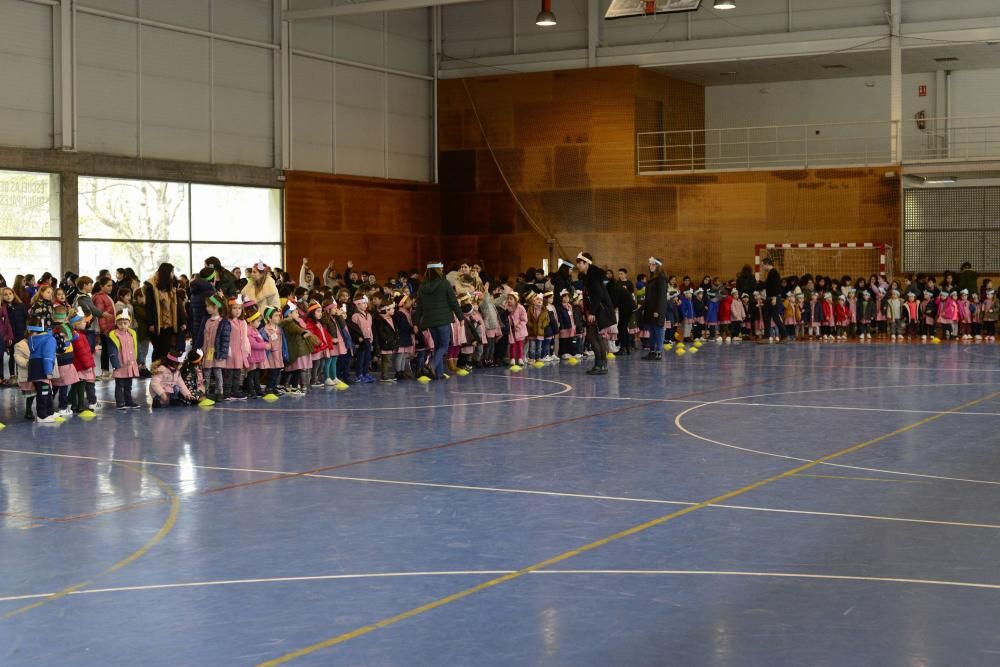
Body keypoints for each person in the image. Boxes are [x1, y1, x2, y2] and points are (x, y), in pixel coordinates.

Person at [413, 262, 463, 380]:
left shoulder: (422, 286)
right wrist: (460, 317)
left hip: (429, 321)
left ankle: (438, 374)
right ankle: (431, 365)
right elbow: (453, 302)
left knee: (437, 347)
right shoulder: (444, 284)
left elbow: (419, 306)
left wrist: (415, 322)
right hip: (443, 320)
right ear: (438, 270)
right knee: (444, 346)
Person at [576, 252, 615, 375]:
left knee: (595, 337)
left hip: (599, 311)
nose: (578, 265)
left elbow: (598, 294)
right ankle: (601, 364)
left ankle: (600, 364)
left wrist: (592, 312)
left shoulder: (592, 277)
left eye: (580, 263)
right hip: (598, 310)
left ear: (586, 263)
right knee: (598, 337)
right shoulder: (590, 276)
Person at [143, 263, 186, 362]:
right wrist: (150, 323)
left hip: (169, 324)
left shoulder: (171, 285)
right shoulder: (151, 286)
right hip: (157, 323)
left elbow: (176, 306)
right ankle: (157, 371)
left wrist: (182, 322)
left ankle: (163, 371)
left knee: (166, 349)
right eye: (171, 272)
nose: (173, 275)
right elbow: (149, 307)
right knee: (158, 349)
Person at [107, 309, 140, 410]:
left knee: (128, 384)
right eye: (120, 323)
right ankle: (120, 402)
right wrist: (115, 363)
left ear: (129, 323)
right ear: (116, 323)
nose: (122, 326)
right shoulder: (114, 335)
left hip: (130, 365)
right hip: (120, 365)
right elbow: (112, 351)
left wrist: (140, 359)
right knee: (120, 384)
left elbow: (137, 347)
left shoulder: (132, 334)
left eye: (125, 323)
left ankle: (128, 401)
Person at [642, 257, 667, 360]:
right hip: (650, 309)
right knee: (652, 330)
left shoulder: (661, 278)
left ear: (658, 266)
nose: (650, 266)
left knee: (658, 330)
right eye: (650, 264)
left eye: (652, 264)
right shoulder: (651, 278)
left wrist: (658, 310)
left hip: (657, 310)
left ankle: (658, 352)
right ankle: (652, 351)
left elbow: (662, 296)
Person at [760, 257, 783, 342]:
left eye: (763, 265)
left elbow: (776, 287)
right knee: (766, 317)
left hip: (774, 298)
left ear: (767, 264)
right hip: (769, 299)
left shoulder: (774, 273)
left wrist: (774, 298)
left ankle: (784, 335)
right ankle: (766, 337)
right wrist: (759, 283)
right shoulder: (770, 273)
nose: (762, 267)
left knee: (776, 318)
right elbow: (767, 285)